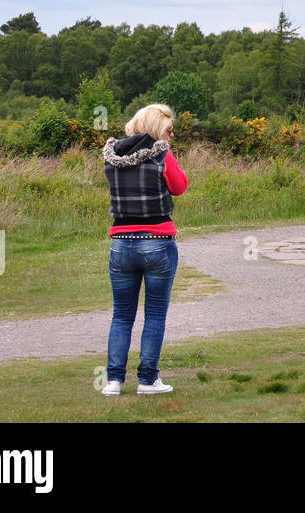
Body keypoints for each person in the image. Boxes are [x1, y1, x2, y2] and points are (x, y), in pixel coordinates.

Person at [100, 103, 188, 395]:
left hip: (120, 243)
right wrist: (168, 157)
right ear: (155, 129)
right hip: (157, 241)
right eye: (168, 129)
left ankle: (113, 380)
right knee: (154, 314)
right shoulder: (162, 155)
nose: (171, 134)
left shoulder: (111, 158)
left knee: (122, 314)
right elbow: (179, 187)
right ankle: (148, 379)